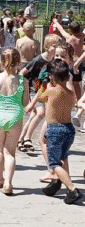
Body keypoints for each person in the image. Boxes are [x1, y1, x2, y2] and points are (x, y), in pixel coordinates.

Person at [27, 58, 82, 204]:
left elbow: (40, 97)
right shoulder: (71, 94)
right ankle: (58, 182)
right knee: (63, 157)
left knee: (54, 163)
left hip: (55, 130)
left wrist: (42, 87)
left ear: (52, 77)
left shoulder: (51, 91)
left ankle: (72, 190)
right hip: (68, 130)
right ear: (68, 76)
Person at [0, 48, 29, 195]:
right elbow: (24, 102)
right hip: (15, 117)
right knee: (10, 152)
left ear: (1, 62)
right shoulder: (23, 81)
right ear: (18, 62)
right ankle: (9, 183)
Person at [17, 34, 61, 154]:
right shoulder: (38, 60)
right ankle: (27, 139)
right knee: (41, 113)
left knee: (33, 117)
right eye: (54, 46)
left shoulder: (55, 60)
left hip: (45, 90)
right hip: (34, 90)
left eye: (58, 46)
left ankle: (21, 140)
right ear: (47, 46)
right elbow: (22, 72)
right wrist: (22, 88)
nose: (56, 48)